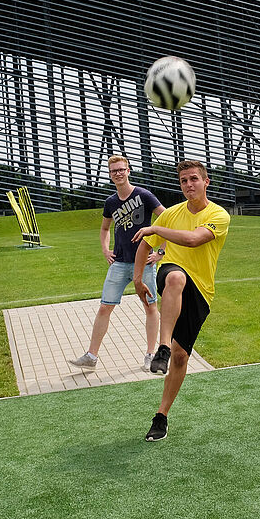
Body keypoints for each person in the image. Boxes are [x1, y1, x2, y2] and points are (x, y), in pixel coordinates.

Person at [131, 160, 230, 441]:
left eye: (194, 179)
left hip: (202, 291)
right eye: (184, 180)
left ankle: (161, 416)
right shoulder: (171, 214)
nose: (189, 185)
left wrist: (157, 230)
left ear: (206, 182)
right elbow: (144, 246)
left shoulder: (219, 215)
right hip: (172, 273)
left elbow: (193, 239)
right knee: (175, 278)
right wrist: (138, 279)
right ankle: (161, 346)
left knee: (181, 356)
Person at [69, 155, 166, 373]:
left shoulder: (144, 195)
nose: (118, 174)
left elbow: (167, 221)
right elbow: (104, 229)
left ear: (129, 171)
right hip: (120, 263)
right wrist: (105, 249)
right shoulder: (111, 202)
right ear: (110, 175)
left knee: (150, 307)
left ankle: (150, 355)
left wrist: (160, 251)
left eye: (121, 169)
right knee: (105, 307)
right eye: (114, 171)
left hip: (145, 263)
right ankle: (91, 356)